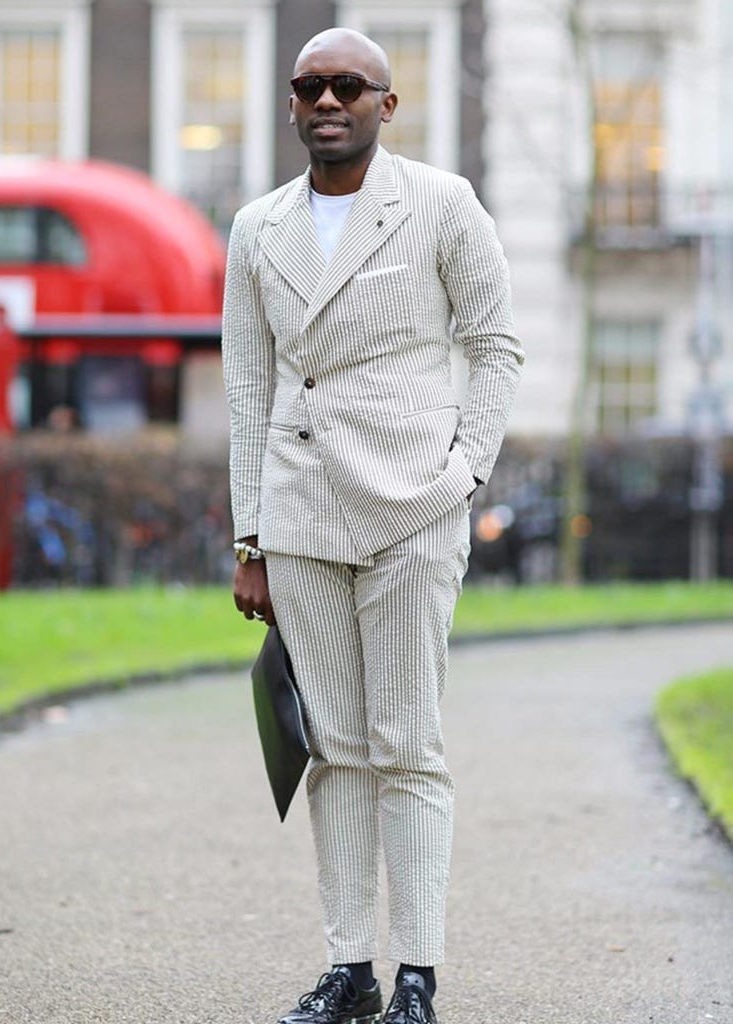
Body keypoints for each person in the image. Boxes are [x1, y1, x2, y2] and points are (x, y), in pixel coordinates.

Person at [222, 27, 524, 1024]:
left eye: (349, 85)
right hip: (300, 513)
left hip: (412, 509)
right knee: (336, 747)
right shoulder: (256, 226)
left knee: (408, 743)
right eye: (310, 86)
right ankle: (349, 968)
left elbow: (494, 346)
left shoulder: (440, 204)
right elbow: (247, 385)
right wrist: (250, 538)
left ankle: (420, 977)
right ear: (294, 103)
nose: (327, 100)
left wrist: (465, 472)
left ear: (386, 105)